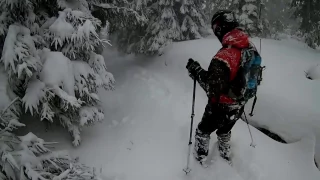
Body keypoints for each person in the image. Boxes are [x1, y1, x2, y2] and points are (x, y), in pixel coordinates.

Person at [186, 10, 253, 165]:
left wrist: (196, 72)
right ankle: (225, 152)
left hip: (220, 106)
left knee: (203, 131)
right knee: (225, 130)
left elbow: (212, 88)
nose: (216, 31)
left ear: (221, 27)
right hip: (239, 105)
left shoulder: (225, 55)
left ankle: (199, 161)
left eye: (216, 27)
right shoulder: (248, 48)